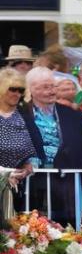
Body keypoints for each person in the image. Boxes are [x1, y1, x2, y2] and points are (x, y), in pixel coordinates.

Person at [20, 67, 82, 226]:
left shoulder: (73, 113)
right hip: (33, 181)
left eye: (53, 86)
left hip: (67, 181)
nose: (51, 91)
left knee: (70, 227)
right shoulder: (20, 114)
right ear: (31, 89)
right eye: (45, 87)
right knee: (34, 225)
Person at [0, 68, 37, 200]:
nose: (17, 94)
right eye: (12, 89)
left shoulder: (25, 112)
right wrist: (4, 174)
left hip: (20, 184)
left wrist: (28, 166)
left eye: (20, 90)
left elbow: (36, 145)